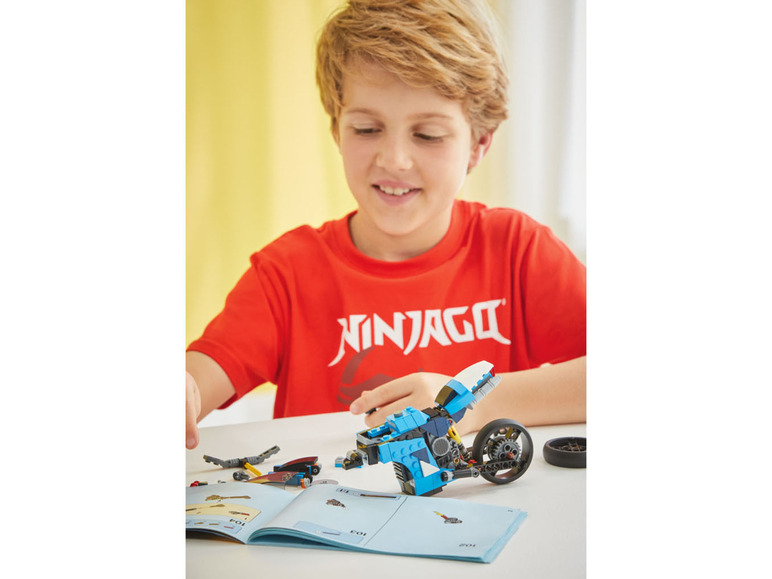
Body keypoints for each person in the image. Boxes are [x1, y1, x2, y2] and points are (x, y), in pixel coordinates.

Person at [186, 0, 586, 450]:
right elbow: (196, 380)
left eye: (428, 135)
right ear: (336, 130)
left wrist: (473, 403)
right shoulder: (286, 274)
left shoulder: (517, 251)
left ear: (478, 144)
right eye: (366, 129)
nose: (394, 160)